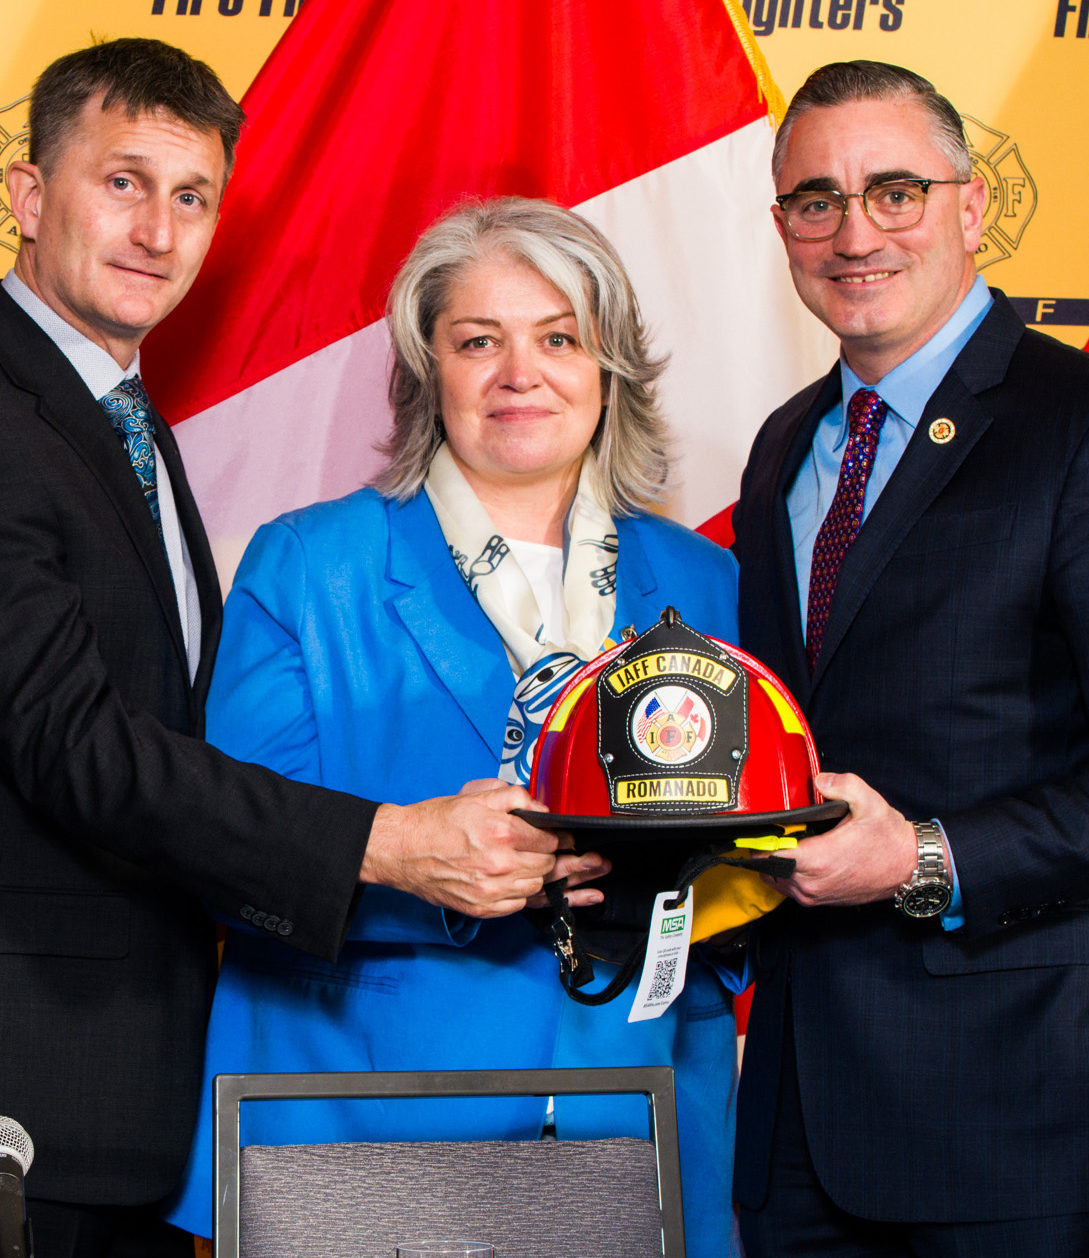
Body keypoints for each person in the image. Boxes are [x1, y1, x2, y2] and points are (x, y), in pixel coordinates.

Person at [0, 40, 560, 1258]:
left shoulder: (114, 416)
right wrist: (386, 842)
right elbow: (79, 749)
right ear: (26, 194)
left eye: (192, 196)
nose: (157, 232)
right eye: (122, 182)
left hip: (120, 1104)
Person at [729, 60, 1089, 1256]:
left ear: (971, 208)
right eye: (816, 200)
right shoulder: (782, 449)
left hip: (1029, 1121)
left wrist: (921, 856)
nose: (855, 233)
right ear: (784, 227)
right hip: (799, 1123)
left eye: (895, 191)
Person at [159, 197, 742, 1254]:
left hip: (639, 1106)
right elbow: (237, 853)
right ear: (428, 371)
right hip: (363, 1110)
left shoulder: (705, 580)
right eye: (479, 341)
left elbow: (752, 858)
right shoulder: (310, 565)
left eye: (559, 338)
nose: (521, 373)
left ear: (609, 367)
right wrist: (422, 862)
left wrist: (685, 886)